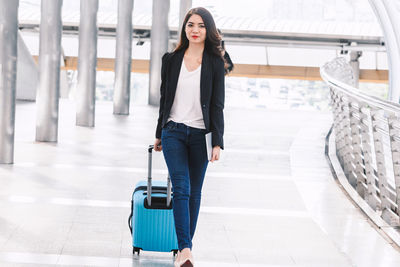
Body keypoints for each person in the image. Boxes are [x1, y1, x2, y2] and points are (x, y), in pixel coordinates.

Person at [153, 7, 225, 267]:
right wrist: (158, 133)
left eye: (201, 26)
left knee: (195, 192)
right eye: (190, 25)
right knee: (181, 188)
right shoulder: (171, 60)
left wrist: (217, 141)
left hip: (201, 135)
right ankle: (185, 249)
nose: (195, 30)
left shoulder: (215, 63)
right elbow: (164, 100)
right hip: (173, 131)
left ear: (209, 30)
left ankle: (185, 251)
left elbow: (217, 104)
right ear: (184, 29)